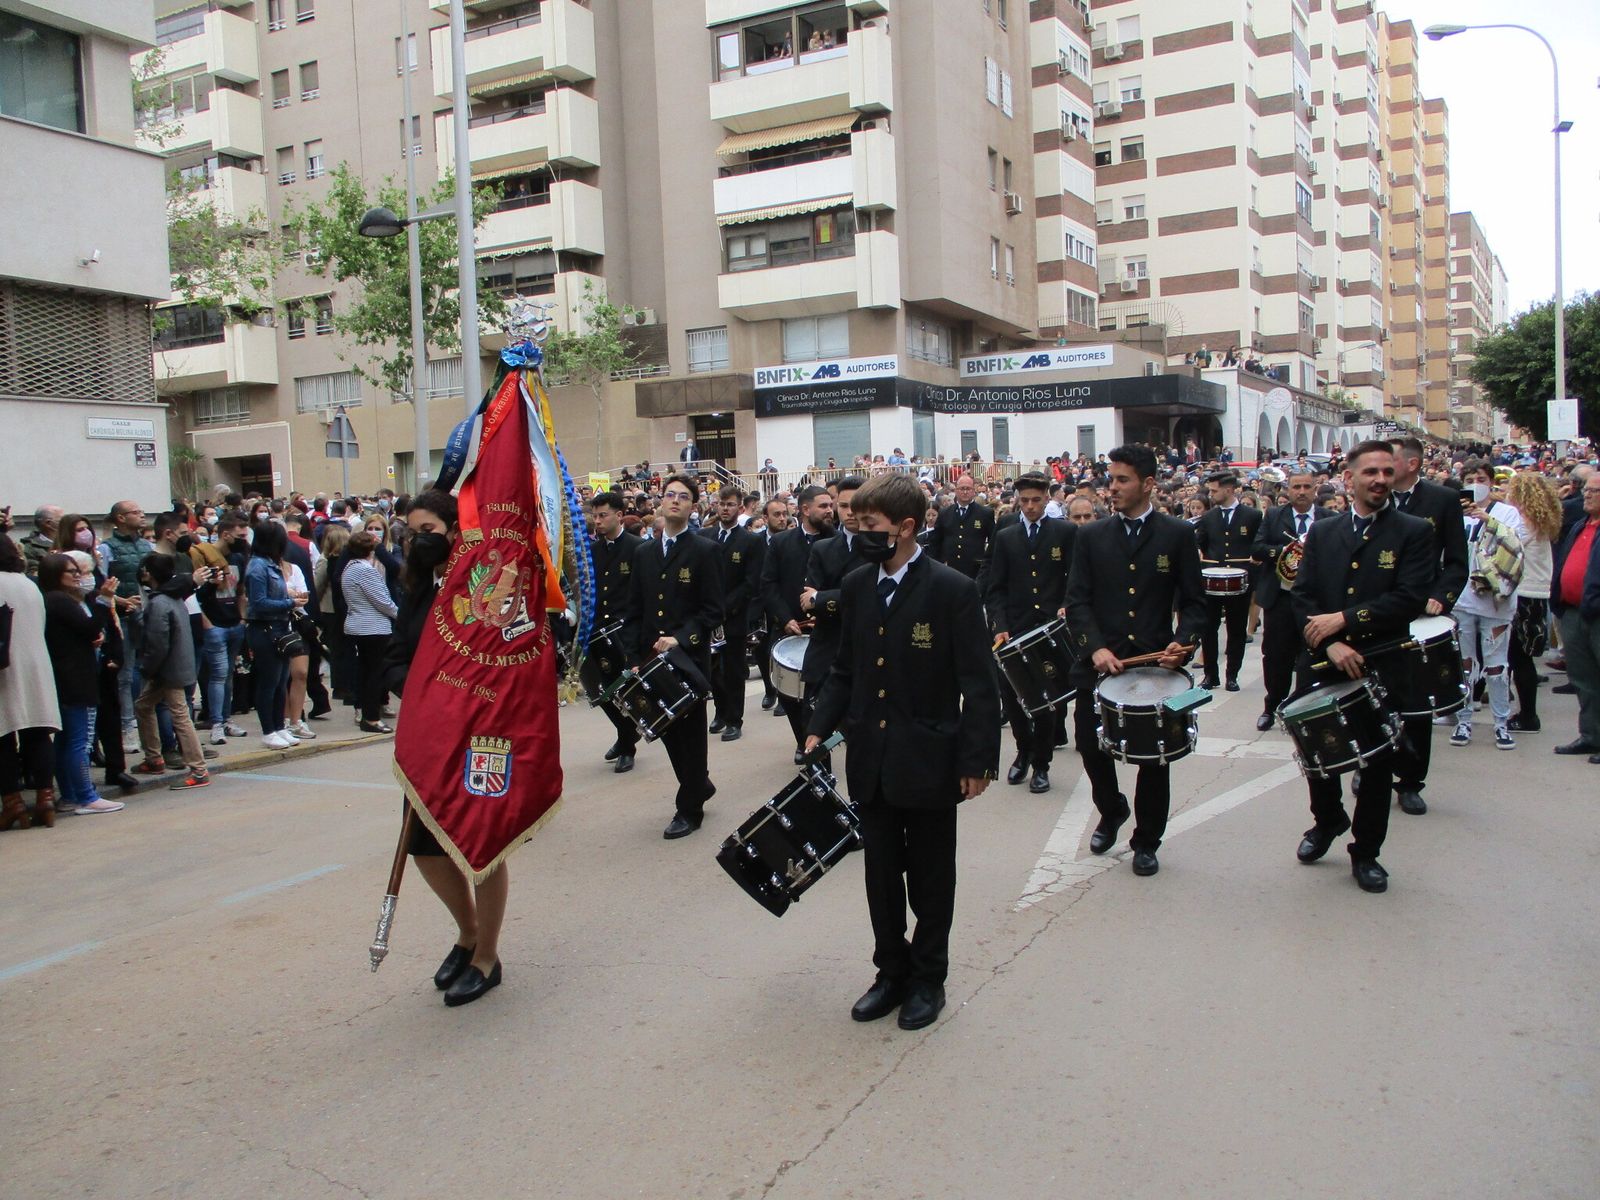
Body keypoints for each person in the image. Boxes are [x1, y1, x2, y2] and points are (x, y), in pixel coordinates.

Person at [805, 472, 1000, 1031]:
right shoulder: (860, 584)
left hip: (931, 760)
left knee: (932, 877)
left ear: (906, 527)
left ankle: (928, 978)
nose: (860, 533)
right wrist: (819, 726)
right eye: (857, 523)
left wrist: (976, 761)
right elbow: (845, 668)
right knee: (881, 875)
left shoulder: (952, 590)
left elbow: (979, 684)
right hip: (872, 757)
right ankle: (890, 972)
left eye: (871, 525)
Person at [382, 488, 511, 1005]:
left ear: (456, 532)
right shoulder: (415, 588)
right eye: (411, 533)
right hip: (428, 736)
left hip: (479, 735)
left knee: (482, 847)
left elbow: (507, 659)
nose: (418, 541)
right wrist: (415, 689)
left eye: (428, 532)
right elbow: (395, 656)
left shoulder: (491, 586)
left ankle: (487, 957)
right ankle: (468, 930)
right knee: (425, 845)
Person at [1291, 441, 1434, 893]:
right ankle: (1327, 820)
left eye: (1387, 472)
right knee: (1318, 753)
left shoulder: (1413, 531)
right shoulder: (1324, 531)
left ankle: (1366, 851)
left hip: (1381, 662)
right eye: (1370, 471)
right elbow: (1302, 597)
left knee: (1375, 763)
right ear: (1349, 479)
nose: (1380, 480)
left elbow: (1409, 598)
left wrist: (1347, 621)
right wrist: (1332, 642)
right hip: (1323, 658)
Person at [1064, 444, 1205, 877]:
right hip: (1100, 665)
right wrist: (1096, 647)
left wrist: (1184, 643)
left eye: (1123, 479)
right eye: (1112, 478)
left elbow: (1196, 604)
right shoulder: (1090, 536)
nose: (1114, 486)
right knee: (1090, 746)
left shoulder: (1177, 534)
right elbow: (1077, 601)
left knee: (1153, 758)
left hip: (1155, 667)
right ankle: (1112, 809)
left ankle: (1147, 840)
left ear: (1147, 484)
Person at [625, 475, 722, 838]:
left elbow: (714, 610)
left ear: (693, 506)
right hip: (651, 658)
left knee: (691, 734)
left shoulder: (704, 550)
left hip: (688, 657)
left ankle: (690, 808)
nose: (675, 501)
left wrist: (681, 638)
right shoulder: (644, 553)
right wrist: (634, 656)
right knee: (664, 729)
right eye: (670, 495)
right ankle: (699, 784)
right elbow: (634, 609)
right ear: (660, 502)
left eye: (684, 497)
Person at [1385, 436, 1469, 815]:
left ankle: (1410, 781)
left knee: (1416, 701)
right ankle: (1373, 766)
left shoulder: (1441, 500)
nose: (1383, 468)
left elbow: (1455, 561)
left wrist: (1443, 595)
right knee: (1373, 697)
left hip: (1421, 613)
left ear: (1413, 464)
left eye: (1392, 460)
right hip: (1376, 611)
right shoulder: (1374, 495)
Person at [985, 473, 1076, 793]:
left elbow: (1075, 578)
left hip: (1049, 626)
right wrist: (1001, 626)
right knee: (1011, 696)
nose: (1030, 506)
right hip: (1014, 627)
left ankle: (1041, 763)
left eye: (1036, 500)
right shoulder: (1007, 536)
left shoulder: (1064, 532)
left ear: (1047, 498)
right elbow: (996, 588)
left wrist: (1066, 606)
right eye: (1024, 500)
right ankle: (1022, 751)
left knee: (1045, 698)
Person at [39, 553, 123, 815]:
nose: (77, 575)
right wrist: (104, 600)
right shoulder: (60, 601)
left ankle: (71, 795)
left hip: (67, 676)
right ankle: (86, 796)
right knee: (80, 740)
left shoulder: (54, 601)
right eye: (70, 572)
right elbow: (91, 628)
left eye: (78, 570)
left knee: (66, 740)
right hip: (76, 678)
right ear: (55, 576)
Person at [761, 484, 836, 757]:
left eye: (831, 505)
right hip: (788, 630)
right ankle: (801, 738)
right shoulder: (781, 543)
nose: (830, 511)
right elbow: (768, 585)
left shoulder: (837, 541)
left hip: (827, 632)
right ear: (805, 510)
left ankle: (819, 740)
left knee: (825, 691)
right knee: (790, 693)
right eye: (824, 506)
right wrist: (785, 618)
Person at [1250, 472, 1329, 730]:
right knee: (1275, 656)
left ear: (1315, 489)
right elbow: (1258, 548)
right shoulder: (1274, 516)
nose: (1302, 491)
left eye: (1307, 486)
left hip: (1315, 602)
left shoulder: (1329, 519)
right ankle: (1272, 705)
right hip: (1281, 599)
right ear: (1289, 489)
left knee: (1311, 656)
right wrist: (1286, 552)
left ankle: (1303, 709)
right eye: (1297, 487)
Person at [1449, 467, 1520, 750]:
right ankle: (1463, 719)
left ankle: (1501, 723)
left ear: (1491, 483)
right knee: (1464, 663)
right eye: (1470, 481)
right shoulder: (1455, 514)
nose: (1475, 485)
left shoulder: (1506, 513)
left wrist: (1487, 519)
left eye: (1481, 480)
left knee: (1496, 664)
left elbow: (1515, 544)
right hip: (1463, 599)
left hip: (1496, 601)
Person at [800, 476, 869, 767]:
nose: (850, 512)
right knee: (818, 732)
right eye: (843, 505)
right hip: (827, 646)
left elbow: (874, 598)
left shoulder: (881, 548)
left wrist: (825, 598)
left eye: (856, 505)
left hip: (867, 647)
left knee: (862, 736)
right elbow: (808, 603)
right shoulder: (823, 549)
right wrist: (828, 601)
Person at [131, 553, 211, 790]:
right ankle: (154, 757)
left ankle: (198, 769)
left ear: (150, 574)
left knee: (180, 716)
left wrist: (148, 668)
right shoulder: (173, 597)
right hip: (174, 665)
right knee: (144, 706)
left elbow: (157, 643)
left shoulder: (159, 603)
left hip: (169, 669)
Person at [0, 534, 59, 829]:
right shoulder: (27, 583)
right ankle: (45, 798)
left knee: (3, 736)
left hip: (5, 668)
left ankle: (12, 803)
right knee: (38, 731)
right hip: (35, 663)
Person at [699, 484, 762, 743]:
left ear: (740, 507)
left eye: (730, 504)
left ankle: (735, 719)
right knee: (712, 669)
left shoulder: (750, 541)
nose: (725, 509)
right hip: (707, 616)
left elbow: (751, 582)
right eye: (721, 504)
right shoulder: (706, 537)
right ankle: (721, 712)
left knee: (733, 669)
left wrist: (725, 608)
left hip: (733, 616)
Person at [589, 491, 644, 773]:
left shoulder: (637, 548)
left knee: (625, 690)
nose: (597, 521)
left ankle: (627, 744)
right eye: (594, 516)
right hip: (599, 629)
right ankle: (626, 735)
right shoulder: (594, 551)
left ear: (619, 515)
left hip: (626, 630)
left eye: (603, 515)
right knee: (602, 691)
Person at [1193, 471, 1262, 691]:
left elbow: (1256, 545)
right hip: (1212, 582)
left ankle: (1232, 674)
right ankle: (1210, 675)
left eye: (1215, 490)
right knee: (1208, 629)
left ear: (1229, 490)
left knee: (1236, 630)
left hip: (1239, 583)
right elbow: (1202, 544)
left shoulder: (1251, 516)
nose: (1211, 495)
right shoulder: (1209, 517)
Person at [1503, 473, 1561, 732]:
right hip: (1534, 593)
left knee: (1518, 657)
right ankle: (1523, 712)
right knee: (1520, 657)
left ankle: (1528, 715)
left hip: (1525, 594)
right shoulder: (1540, 519)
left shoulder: (1524, 522)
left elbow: (1506, 541)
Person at [1549, 472, 1600, 762]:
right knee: (1583, 679)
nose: (1587, 494)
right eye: (1587, 489)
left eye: (1595, 490)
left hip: (1596, 614)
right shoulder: (1580, 526)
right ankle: (1591, 736)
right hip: (1572, 611)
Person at [243, 521, 305, 749]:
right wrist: (289, 602)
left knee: (280, 681)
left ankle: (279, 726)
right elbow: (258, 603)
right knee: (268, 683)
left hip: (278, 626)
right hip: (265, 628)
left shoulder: (270, 564)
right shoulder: (258, 567)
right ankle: (268, 730)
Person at [193, 516, 249, 745]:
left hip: (233, 622)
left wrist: (242, 618)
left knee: (227, 675)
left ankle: (225, 719)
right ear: (226, 534)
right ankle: (216, 722)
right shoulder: (202, 556)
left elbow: (241, 590)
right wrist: (207, 622)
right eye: (240, 536)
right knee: (218, 674)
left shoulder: (237, 558)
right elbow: (194, 594)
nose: (243, 540)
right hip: (214, 624)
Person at [343, 531, 399, 734]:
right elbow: (382, 600)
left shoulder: (350, 567)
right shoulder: (366, 570)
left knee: (366, 672)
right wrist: (400, 615)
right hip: (372, 627)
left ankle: (368, 714)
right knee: (374, 674)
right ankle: (372, 717)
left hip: (359, 625)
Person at [925, 475, 994, 580]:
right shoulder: (945, 513)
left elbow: (993, 543)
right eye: (962, 488)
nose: (965, 492)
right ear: (956, 491)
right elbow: (935, 543)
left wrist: (985, 567)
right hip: (949, 570)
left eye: (968, 489)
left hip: (975, 571)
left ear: (974, 491)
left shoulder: (985, 513)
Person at [20, 505, 61, 576]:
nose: (67, 523)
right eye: (62, 520)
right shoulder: (30, 548)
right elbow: (33, 574)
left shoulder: (72, 541)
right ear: (48, 523)